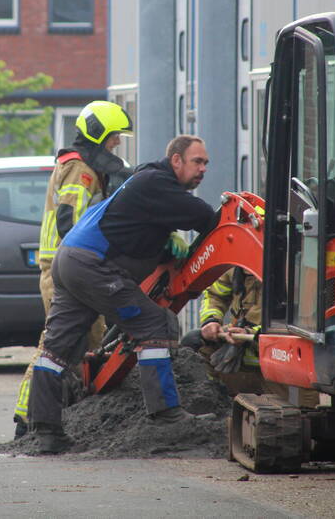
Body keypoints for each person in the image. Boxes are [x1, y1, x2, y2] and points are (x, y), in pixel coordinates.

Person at [29, 134, 218, 454]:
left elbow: (134, 230)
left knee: (57, 348)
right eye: (197, 161)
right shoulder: (157, 182)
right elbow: (204, 217)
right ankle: (166, 416)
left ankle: (45, 430)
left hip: (70, 260)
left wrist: (164, 243)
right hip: (91, 264)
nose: (203, 169)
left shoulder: (144, 178)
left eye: (206, 163)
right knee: (156, 324)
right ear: (176, 160)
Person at [11, 101, 133, 439]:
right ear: (98, 134)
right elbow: (71, 221)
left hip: (72, 270)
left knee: (88, 344)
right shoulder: (80, 170)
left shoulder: (87, 168)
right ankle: (27, 417)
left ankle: (69, 415)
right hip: (65, 272)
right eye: (114, 136)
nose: (117, 143)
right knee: (55, 345)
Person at [182, 266, 320, 407]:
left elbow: (305, 323)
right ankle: (215, 404)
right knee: (197, 344)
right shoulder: (235, 267)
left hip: (280, 357)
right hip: (241, 350)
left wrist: (251, 334)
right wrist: (211, 320)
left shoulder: (297, 269)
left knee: (298, 411)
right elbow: (214, 295)